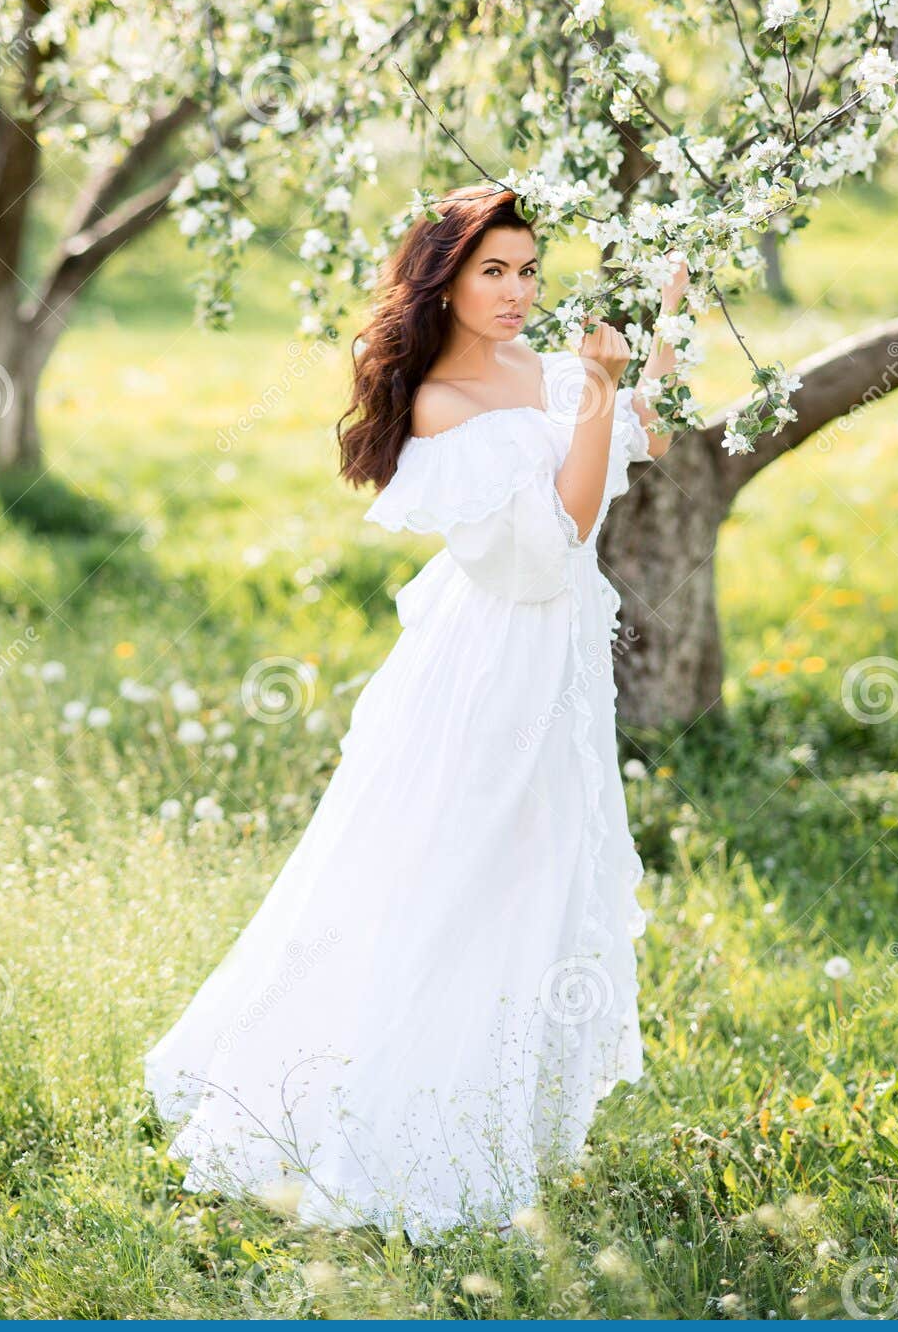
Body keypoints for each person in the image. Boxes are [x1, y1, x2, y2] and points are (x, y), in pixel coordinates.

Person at [144, 181, 685, 1243]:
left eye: (529, 269)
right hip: (491, 667)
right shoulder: (444, 404)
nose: (518, 291)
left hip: (562, 666)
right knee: (455, 868)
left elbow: (644, 442)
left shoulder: (543, 366)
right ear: (443, 277)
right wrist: (597, 394)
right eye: (494, 271)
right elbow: (556, 541)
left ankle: (500, 1113)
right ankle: (392, 1111)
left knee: (543, 871)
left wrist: (663, 330)